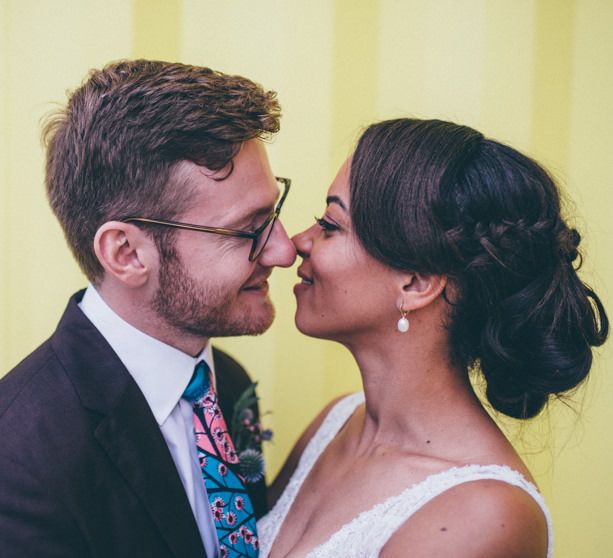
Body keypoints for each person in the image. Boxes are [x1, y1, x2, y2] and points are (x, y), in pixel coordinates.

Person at [258, 118, 609, 557]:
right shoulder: (335, 424)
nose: (297, 242)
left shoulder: (481, 514)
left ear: (416, 283)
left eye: (329, 224)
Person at [0, 60, 296, 558]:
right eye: (248, 228)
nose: (283, 251)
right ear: (126, 254)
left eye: (274, 212)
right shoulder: (19, 457)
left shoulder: (229, 381)